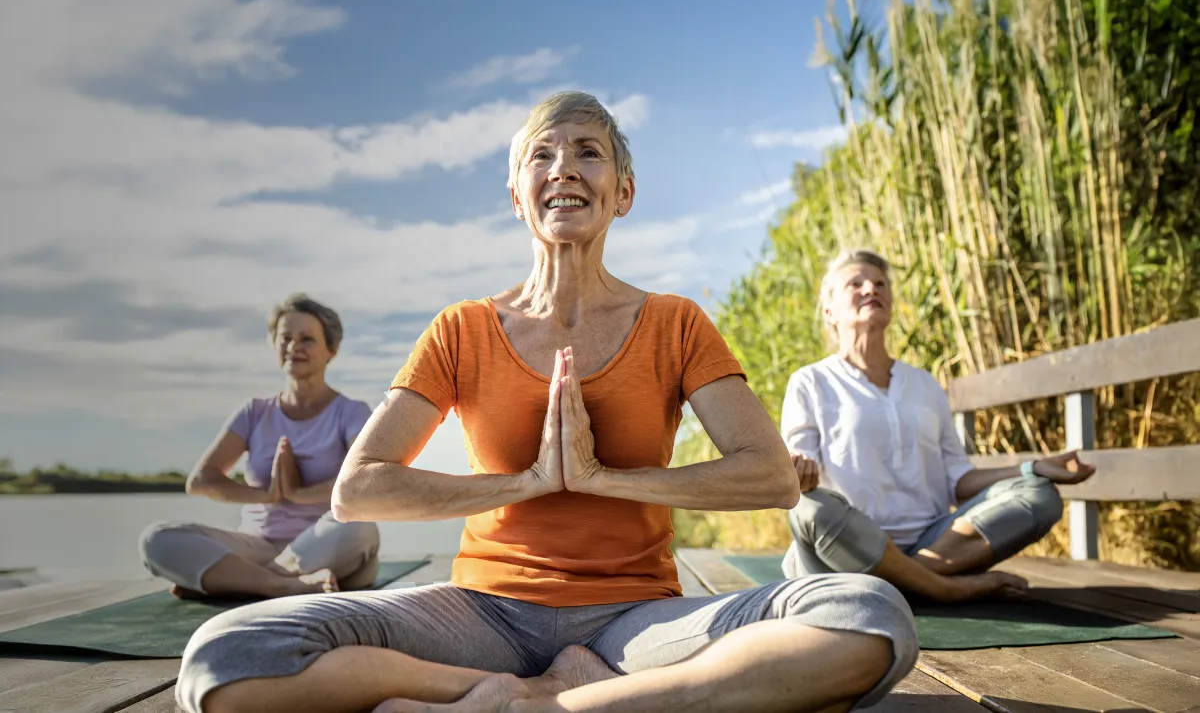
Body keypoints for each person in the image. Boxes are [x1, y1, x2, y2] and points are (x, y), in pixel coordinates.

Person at [175, 92, 919, 713]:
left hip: (640, 617)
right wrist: (525, 483)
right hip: (483, 613)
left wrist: (604, 477)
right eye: (542, 154)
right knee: (224, 656)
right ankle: (516, 691)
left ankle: (562, 705)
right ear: (517, 197)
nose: (564, 166)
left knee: (870, 616)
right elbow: (359, 486)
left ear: (623, 193)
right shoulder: (461, 329)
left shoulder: (675, 322)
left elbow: (771, 476)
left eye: (589, 151)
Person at [781, 249, 1097, 603]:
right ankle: (944, 587)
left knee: (1040, 493)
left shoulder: (924, 385)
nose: (871, 287)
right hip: (848, 548)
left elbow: (959, 481)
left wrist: (1033, 467)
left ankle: (906, 578)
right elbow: (798, 467)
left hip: (935, 542)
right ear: (830, 311)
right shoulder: (810, 381)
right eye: (856, 283)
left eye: (880, 283)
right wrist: (799, 469)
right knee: (811, 509)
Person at [139, 293, 380, 601]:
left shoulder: (352, 413)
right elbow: (201, 481)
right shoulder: (254, 413)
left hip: (324, 543)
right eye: (285, 338)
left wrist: (298, 494)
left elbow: (367, 480)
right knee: (157, 539)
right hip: (257, 543)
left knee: (359, 526)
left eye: (307, 339)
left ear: (331, 350)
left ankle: (236, 580)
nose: (293, 347)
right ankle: (279, 585)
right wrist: (266, 495)